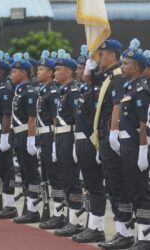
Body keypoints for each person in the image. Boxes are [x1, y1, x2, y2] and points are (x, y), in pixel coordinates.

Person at [89, 39, 135, 250]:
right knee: (113, 186)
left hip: (112, 137)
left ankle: (125, 232)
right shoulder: (108, 77)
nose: (100, 57)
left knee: (118, 186)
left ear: (113, 55)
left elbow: (116, 107)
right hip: (105, 138)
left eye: (103, 53)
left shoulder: (116, 78)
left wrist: (113, 134)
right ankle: (120, 230)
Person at [72, 45, 106, 243]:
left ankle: (97, 227)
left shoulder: (97, 90)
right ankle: (91, 224)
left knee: (95, 186)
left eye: (83, 68)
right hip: (83, 140)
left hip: (93, 140)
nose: (80, 71)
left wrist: (97, 145)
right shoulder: (86, 89)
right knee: (89, 185)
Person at [118, 39, 150, 250]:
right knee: (131, 188)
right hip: (127, 144)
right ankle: (138, 234)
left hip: (137, 144)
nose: (122, 66)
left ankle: (145, 237)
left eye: (126, 63)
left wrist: (142, 151)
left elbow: (142, 124)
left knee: (141, 191)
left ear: (136, 67)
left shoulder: (140, 89)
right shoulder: (128, 88)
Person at [52, 49, 84, 237]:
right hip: (62, 139)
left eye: (58, 69)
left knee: (72, 181)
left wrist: (73, 145)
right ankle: (71, 217)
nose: (55, 72)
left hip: (70, 137)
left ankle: (76, 220)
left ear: (68, 72)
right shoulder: (64, 92)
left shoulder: (72, 92)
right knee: (65, 179)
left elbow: (77, 120)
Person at [35, 50, 65, 230]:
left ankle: (59, 213)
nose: (38, 72)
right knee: (46, 177)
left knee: (55, 176)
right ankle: (53, 211)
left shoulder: (53, 92)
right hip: (43, 137)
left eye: (41, 69)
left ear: (50, 73)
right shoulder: (44, 91)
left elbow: (55, 121)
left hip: (50, 136)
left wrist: (54, 144)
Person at [10, 53, 41, 224]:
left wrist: (31, 139)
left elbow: (32, 118)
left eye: (15, 71)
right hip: (19, 134)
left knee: (31, 173)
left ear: (24, 73)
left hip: (26, 134)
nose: (12, 74)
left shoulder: (29, 91)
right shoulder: (20, 90)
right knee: (25, 173)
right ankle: (29, 207)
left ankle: (33, 209)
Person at [0, 50, 18, 219]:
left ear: (3, 71)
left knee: (7, 168)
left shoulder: (6, 89)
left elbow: (7, 114)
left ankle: (10, 204)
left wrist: (5, 136)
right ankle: (2, 200)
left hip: (3, 130)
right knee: (0, 167)